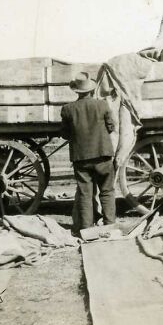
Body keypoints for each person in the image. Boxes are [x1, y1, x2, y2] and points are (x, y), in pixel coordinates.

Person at [60, 72, 117, 234]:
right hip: (103, 154)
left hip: (81, 158)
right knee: (107, 191)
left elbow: (65, 134)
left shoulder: (67, 109)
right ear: (92, 90)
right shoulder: (103, 105)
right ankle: (110, 226)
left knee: (85, 193)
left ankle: (86, 229)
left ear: (76, 91)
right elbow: (111, 127)